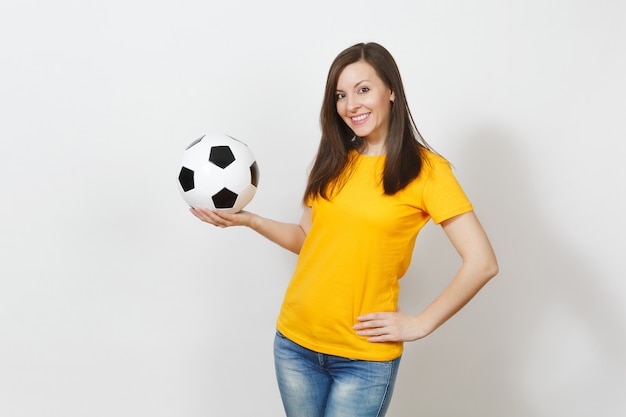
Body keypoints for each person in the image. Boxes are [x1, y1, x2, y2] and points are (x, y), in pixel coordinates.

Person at [190, 42, 498, 417]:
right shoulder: (332, 158)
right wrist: (250, 220)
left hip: (363, 359)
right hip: (295, 343)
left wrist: (420, 324)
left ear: (391, 92)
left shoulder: (428, 171)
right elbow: (307, 239)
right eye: (340, 95)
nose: (351, 104)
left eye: (363, 89)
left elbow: (482, 262)